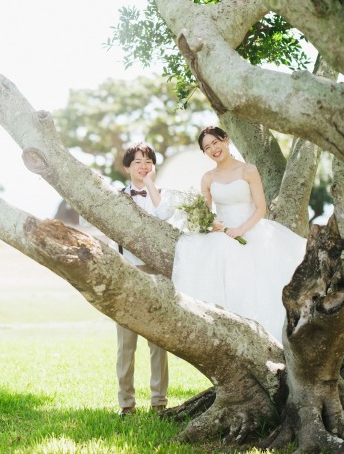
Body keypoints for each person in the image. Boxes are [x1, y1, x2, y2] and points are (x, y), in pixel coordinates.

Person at [172, 126, 307, 343]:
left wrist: (240, 231)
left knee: (259, 286)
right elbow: (205, 214)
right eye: (207, 147)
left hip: (251, 230)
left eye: (215, 142)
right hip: (222, 235)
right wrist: (211, 224)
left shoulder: (248, 170)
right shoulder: (208, 178)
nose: (213, 149)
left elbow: (261, 209)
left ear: (225, 140)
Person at [115, 142, 174, 416]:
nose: (143, 166)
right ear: (127, 167)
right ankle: (126, 404)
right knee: (126, 344)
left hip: (157, 274)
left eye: (148, 161)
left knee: (158, 342)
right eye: (138, 162)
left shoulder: (162, 196)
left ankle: (159, 402)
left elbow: (165, 216)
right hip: (127, 272)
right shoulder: (116, 197)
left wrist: (150, 185)